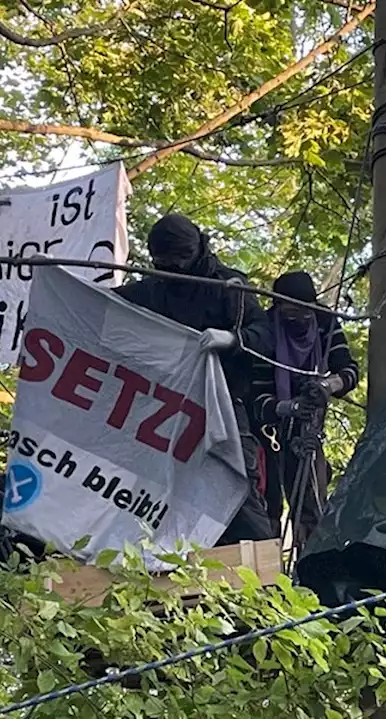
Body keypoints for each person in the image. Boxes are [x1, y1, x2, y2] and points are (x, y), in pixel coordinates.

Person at [115, 214, 277, 545]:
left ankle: (266, 573)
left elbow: (264, 337)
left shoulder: (228, 286)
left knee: (235, 483)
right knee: (151, 485)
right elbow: (108, 304)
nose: (175, 267)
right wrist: (64, 285)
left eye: (181, 258)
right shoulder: (155, 287)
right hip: (166, 406)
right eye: (165, 261)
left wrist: (233, 340)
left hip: (223, 405)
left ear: (197, 249)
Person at [250, 270, 360, 545]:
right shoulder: (266, 329)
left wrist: (327, 385)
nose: (296, 318)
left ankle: (310, 575)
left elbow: (349, 371)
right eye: (289, 312)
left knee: (311, 507)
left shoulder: (324, 322)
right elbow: (254, 395)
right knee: (267, 506)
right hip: (269, 434)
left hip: (308, 430)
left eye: (303, 311)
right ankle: (267, 579)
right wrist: (285, 407)